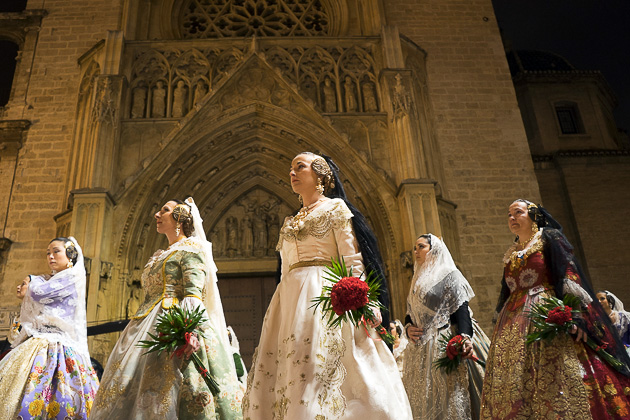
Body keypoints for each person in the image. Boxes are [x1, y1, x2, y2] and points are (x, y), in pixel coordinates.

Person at [242, 152, 412, 420]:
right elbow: (285, 266)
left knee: (319, 363)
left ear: (320, 175)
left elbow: (352, 258)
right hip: (288, 301)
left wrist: (360, 297)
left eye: (300, 167)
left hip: (324, 294)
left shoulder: (335, 209)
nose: (292, 173)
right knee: (290, 363)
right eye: (290, 168)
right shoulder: (290, 221)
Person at [92, 197, 243, 419]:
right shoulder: (159, 256)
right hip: (144, 324)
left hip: (176, 322)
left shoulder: (191, 250)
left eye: (165, 210)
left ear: (180, 218)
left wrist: (189, 330)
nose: (157, 214)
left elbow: (193, 292)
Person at [480, 199, 630, 420]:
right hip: (513, 322)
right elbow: (506, 291)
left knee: (556, 372)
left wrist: (576, 314)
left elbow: (568, 275)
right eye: (509, 215)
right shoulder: (512, 252)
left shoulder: (548, 239)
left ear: (533, 215)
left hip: (545, 313)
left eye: (518, 213)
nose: (512, 218)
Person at [0, 237, 99, 419]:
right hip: (38, 342)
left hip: (60, 344)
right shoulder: (47, 279)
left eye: (56, 251)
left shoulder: (72, 277)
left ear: (70, 257)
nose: (50, 256)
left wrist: (30, 279)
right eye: (48, 253)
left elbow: (39, 293)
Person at [403, 234, 489, 420]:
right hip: (419, 349)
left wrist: (465, 336)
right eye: (415, 247)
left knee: (449, 396)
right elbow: (411, 312)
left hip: (442, 340)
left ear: (434, 250)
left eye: (421, 246)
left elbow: (461, 309)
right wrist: (408, 326)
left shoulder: (449, 275)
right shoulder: (416, 278)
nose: (416, 251)